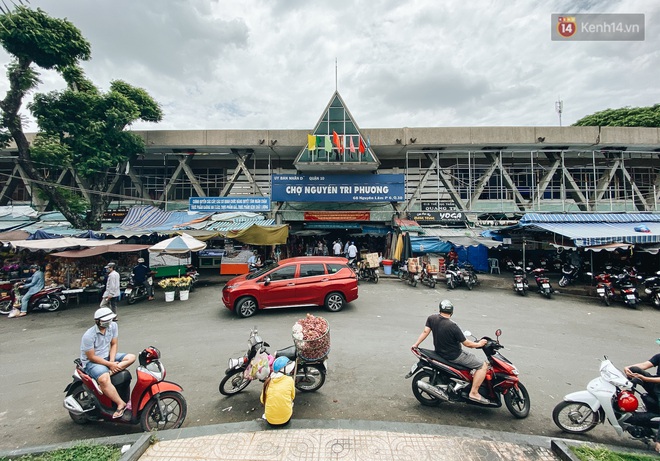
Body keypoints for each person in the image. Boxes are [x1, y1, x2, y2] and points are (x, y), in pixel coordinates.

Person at [412, 299, 489, 404]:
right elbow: (467, 344)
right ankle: (474, 392)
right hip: (455, 356)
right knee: (482, 365)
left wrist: (416, 344)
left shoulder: (432, 318)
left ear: (440, 309)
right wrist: (479, 344)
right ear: (452, 312)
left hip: (439, 353)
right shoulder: (453, 326)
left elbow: (425, 331)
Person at [80, 307, 136, 419]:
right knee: (104, 379)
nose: (108, 323)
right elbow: (91, 357)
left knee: (131, 357)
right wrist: (110, 364)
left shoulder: (113, 326)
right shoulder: (88, 335)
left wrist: (111, 361)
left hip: (107, 356)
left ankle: (108, 373)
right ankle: (121, 404)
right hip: (92, 362)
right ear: (98, 321)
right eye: (105, 321)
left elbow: (114, 344)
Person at [623, 340, 660, 454]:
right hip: (656, 387)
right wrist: (628, 368)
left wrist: (645, 379)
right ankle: (627, 399)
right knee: (635, 371)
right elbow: (645, 365)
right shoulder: (659, 356)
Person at [260, 356, 296, 426]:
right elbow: (292, 396)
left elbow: (262, 400)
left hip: (270, 420)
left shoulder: (267, 382)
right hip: (285, 419)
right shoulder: (289, 380)